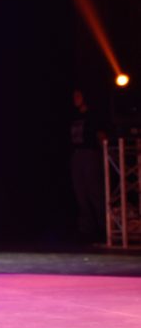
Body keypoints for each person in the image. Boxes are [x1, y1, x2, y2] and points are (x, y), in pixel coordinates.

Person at [70, 88, 106, 244]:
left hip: (90, 154)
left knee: (94, 191)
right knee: (80, 192)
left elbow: (101, 136)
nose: (75, 98)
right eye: (74, 96)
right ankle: (86, 229)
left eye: (78, 95)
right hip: (77, 154)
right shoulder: (74, 116)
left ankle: (103, 227)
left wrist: (104, 153)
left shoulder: (93, 115)